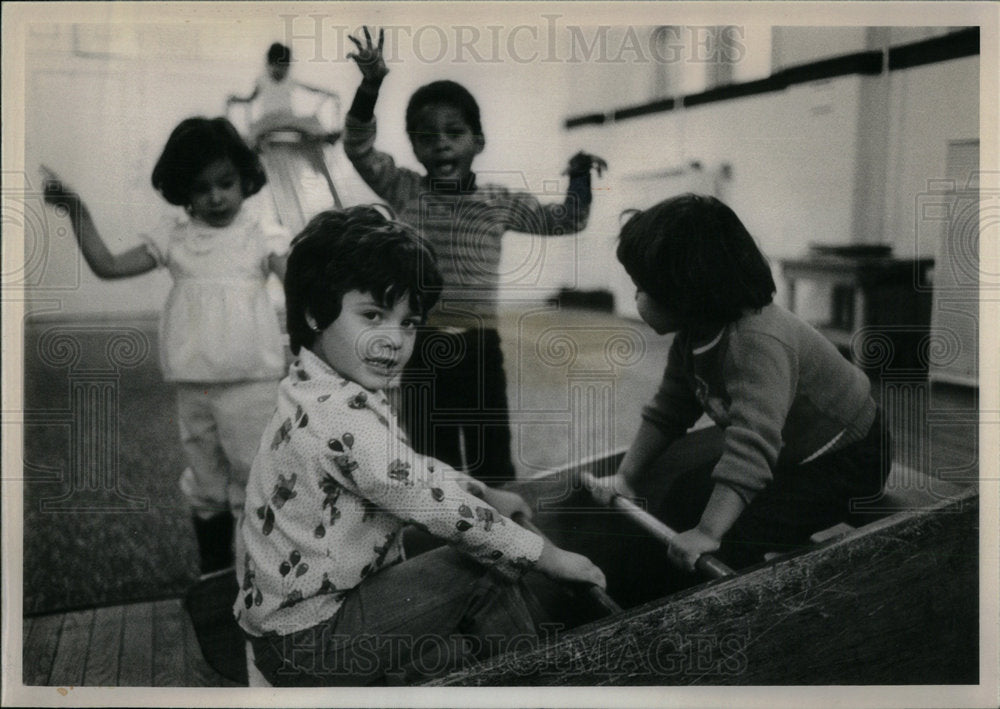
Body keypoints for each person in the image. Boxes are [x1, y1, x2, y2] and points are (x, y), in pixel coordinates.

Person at [235, 206, 605, 686]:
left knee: (455, 619)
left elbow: (405, 469)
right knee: (482, 569)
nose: (394, 341)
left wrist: (480, 490)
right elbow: (433, 505)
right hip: (310, 644)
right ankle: (550, 688)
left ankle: (482, 674)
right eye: (372, 316)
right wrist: (547, 556)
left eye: (408, 323)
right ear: (313, 313)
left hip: (295, 630)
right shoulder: (339, 414)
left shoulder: (313, 384)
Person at [342, 27, 607, 484]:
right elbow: (357, 147)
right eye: (426, 136)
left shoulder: (498, 201)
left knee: (493, 464)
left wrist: (580, 174)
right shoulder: (404, 189)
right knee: (430, 463)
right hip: (420, 347)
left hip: (479, 348)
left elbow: (567, 219)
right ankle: (444, 542)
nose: (441, 143)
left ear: (477, 141)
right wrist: (370, 86)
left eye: (454, 132)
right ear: (414, 146)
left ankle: (501, 541)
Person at [41, 117, 290, 575]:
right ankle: (215, 576)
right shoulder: (173, 236)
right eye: (201, 188)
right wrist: (76, 211)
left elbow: (298, 280)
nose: (215, 197)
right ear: (182, 191)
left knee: (255, 480)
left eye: (226, 183)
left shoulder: (261, 233)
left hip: (252, 385)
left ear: (245, 179)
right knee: (207, 486)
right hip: (194, 387)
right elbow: (108, 266)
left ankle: (261, 576)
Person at [607, 194, 892, 570]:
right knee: (683, 496)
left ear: (686, 293)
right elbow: (668, 411)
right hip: (792, 450)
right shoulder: (691, 337)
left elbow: (751, 446)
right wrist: (627, 476)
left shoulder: (755, 343)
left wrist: (708, 533)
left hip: (849, 458)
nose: (637, 296)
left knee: (732, 539)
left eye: (642, 287)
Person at [228, 42, 341, 147]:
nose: (280, 70)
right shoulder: (262, 80)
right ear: (269, 65)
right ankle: (251, 147)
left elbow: (310, 89)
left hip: (287, 117)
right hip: (269, 119)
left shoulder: (289, 80)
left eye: (284, 67)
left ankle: (323, 137)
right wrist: (237, 99)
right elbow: (251, 98)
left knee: (312, 121)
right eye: (277, 66)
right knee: (253, 130)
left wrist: (327, 93)